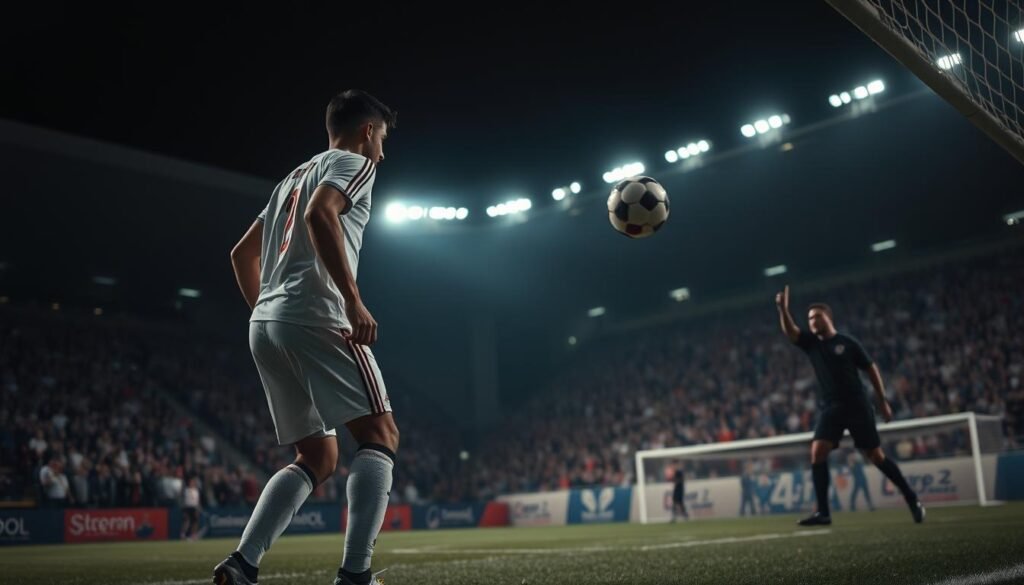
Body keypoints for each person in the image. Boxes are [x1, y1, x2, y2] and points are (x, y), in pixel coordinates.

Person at [215, 89, 399, 585]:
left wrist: (272, 313)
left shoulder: (291, 177)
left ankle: (243, 563)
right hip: (317, 314)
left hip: (267, 324)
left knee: (318, 456)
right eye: (382, 137)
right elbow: (323, 213)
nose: (382, 150)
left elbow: (240, 256)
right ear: (367, 131)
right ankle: (355, 576)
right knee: (380, 435)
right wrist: (352, 299)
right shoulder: (355, 164)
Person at [775, 285, 923, 525]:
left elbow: (871, 368)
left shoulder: (848, 342)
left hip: (857, 405)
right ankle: (823, 512)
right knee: (817, 451)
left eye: (816, 317)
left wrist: (881, 400)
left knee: (875, 456)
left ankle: (911, 497)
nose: (811, 321)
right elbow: (791, 333)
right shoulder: (811, 343)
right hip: (831, 407)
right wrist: (783, 310)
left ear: (828, 318)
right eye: (809, 318)